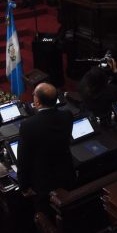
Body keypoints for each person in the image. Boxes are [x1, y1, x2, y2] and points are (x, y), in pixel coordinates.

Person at [17, 83, 75, 213]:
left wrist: (24, 186)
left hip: (42, 183)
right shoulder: (67, 115)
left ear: (37, 102)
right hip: (66, 174)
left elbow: (23, 159)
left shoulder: (28, 126)